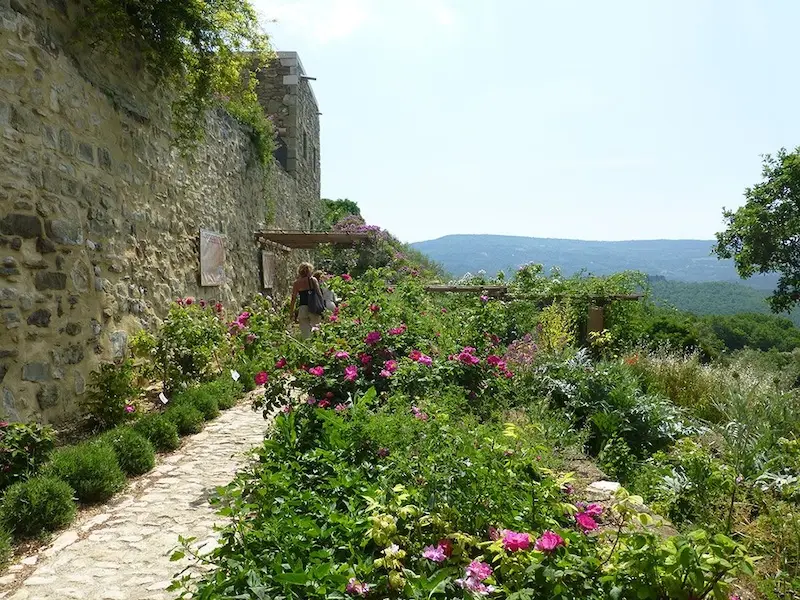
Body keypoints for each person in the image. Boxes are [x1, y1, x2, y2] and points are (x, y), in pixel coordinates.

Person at [289, 262, 323, 339]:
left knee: (305, 332)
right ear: (309, 271)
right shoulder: (313, 280)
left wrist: (291, 312)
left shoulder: (296, 283)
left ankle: (307, 346)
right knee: (316, 328)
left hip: (303, 307)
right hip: (314, 307)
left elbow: (293, 298)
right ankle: (317, 345)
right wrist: (322, 307)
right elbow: (319, 294)